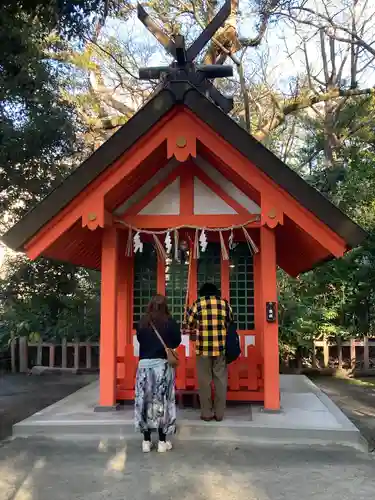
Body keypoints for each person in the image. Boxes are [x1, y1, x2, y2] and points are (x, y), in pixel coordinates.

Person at [135, 294, 181, 453]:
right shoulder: (170, 322)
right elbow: (176, 342)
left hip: (144, 367)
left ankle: (146, 441)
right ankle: (162, 441)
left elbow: (141, 340)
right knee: (162, 402)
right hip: (161, 366)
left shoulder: (142, 323)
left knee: (144, 401)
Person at [186, 283, 233, 422]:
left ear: (202, 292)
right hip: (220, 348)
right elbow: (230, 321)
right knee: (220, 381)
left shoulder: (198, 303)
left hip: (203, 349)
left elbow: (189, 323)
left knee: (204, 381)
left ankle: (206, 413)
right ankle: (219, 414)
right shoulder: (225, 304)